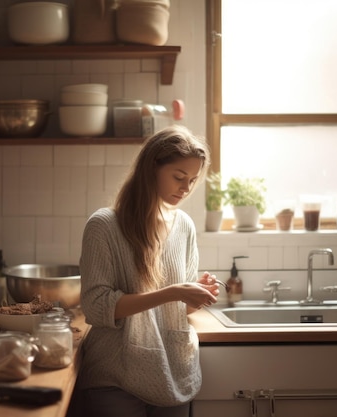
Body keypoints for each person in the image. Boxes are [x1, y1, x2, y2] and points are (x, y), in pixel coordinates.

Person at [76, 125, 220, 417]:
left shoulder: (184, 226)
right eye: (178, 177)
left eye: (192, 180)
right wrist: (175, 292)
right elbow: (96, 306)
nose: (185, 188)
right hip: (115, 373)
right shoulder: (104, 226)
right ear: (150, 169)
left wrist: (194, 296)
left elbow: (179, 310)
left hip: (173, 371)